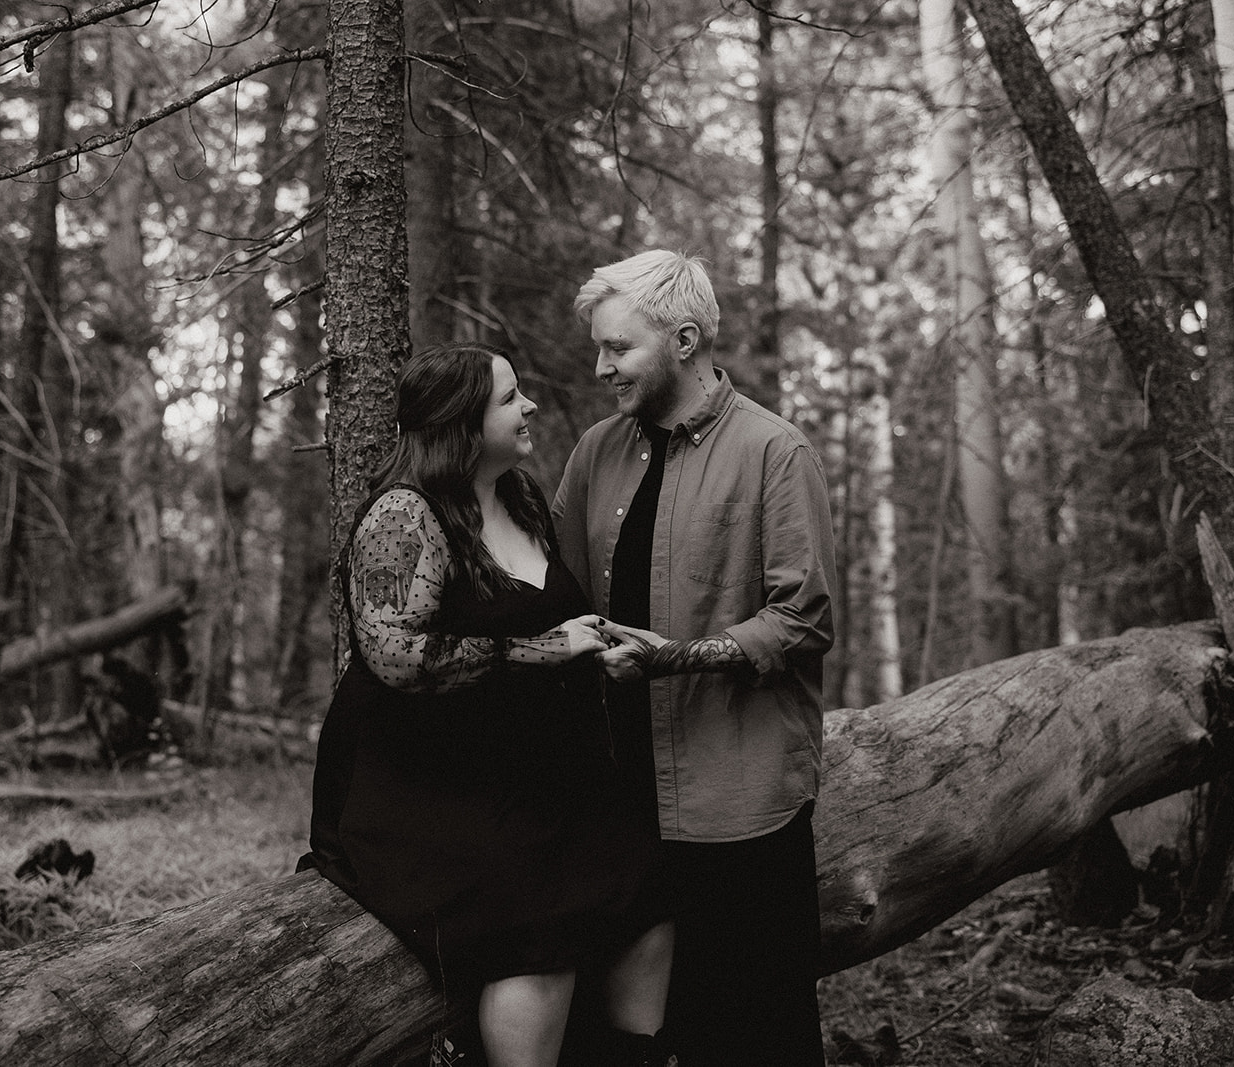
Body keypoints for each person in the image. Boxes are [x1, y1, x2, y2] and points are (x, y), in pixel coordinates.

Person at [300, 342, 676, 1067]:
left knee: (646, 893)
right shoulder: (404, 516)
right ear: (462, 423)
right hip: (424, 785)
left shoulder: (520, 495)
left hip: (531, 771)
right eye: (509, 398)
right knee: (539, 919)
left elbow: (556, 619)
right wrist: (549, 649)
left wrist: (599, 645)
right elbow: (399, 658)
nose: (528, 405)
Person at [552, 251, 836, 1066]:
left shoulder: (776, 453)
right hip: (621, 798)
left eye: (618, 348)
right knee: (628, 1035)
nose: (601, 367)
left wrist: (675, 657)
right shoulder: (597, 452)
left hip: (739, 801)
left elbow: (803, 620)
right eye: (600, 349)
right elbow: (557, 593)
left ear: (683, 338)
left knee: (753, 1028)